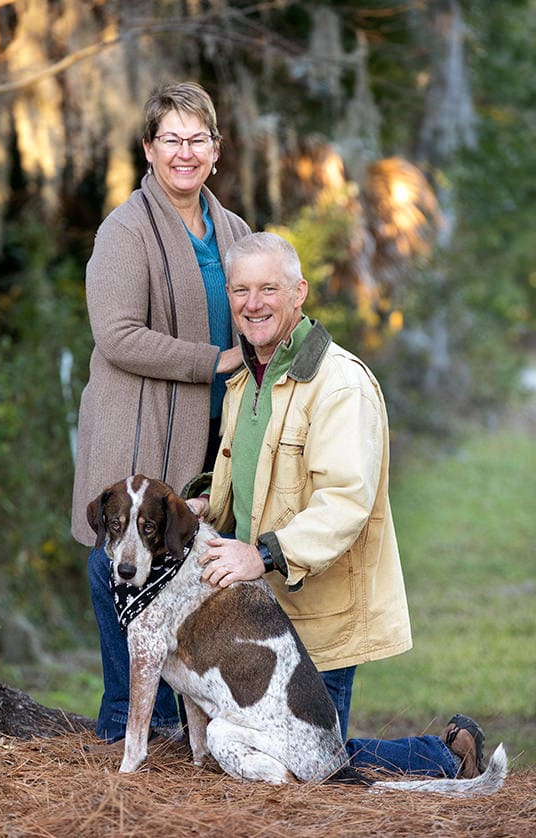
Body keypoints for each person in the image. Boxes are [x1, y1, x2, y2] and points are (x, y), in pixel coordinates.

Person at [182, 231, 486, 778]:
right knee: (280, 751)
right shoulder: (247, 380)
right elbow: (251, 473)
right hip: (260, 610)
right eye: (241, 290)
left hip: (316, 608)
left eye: (269, 288)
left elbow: (345, 502)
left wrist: (262, 555)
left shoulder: (338, 383)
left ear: (299, 293)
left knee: (314, 765)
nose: (254, 304)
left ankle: (444, 755)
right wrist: (210, 502)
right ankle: (444, 752)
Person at [71, 82, 249, 743]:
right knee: (116, 554)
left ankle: (182, 721)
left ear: (216, 149)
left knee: (185, 563)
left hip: (212, 435)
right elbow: (116, 334)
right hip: (137, 427)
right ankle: (124, 720)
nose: (184, 152)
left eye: (197, 139)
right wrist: (216, 361)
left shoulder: (232, 229)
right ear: (148, 149)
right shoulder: (124, 230)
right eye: (170, 139)